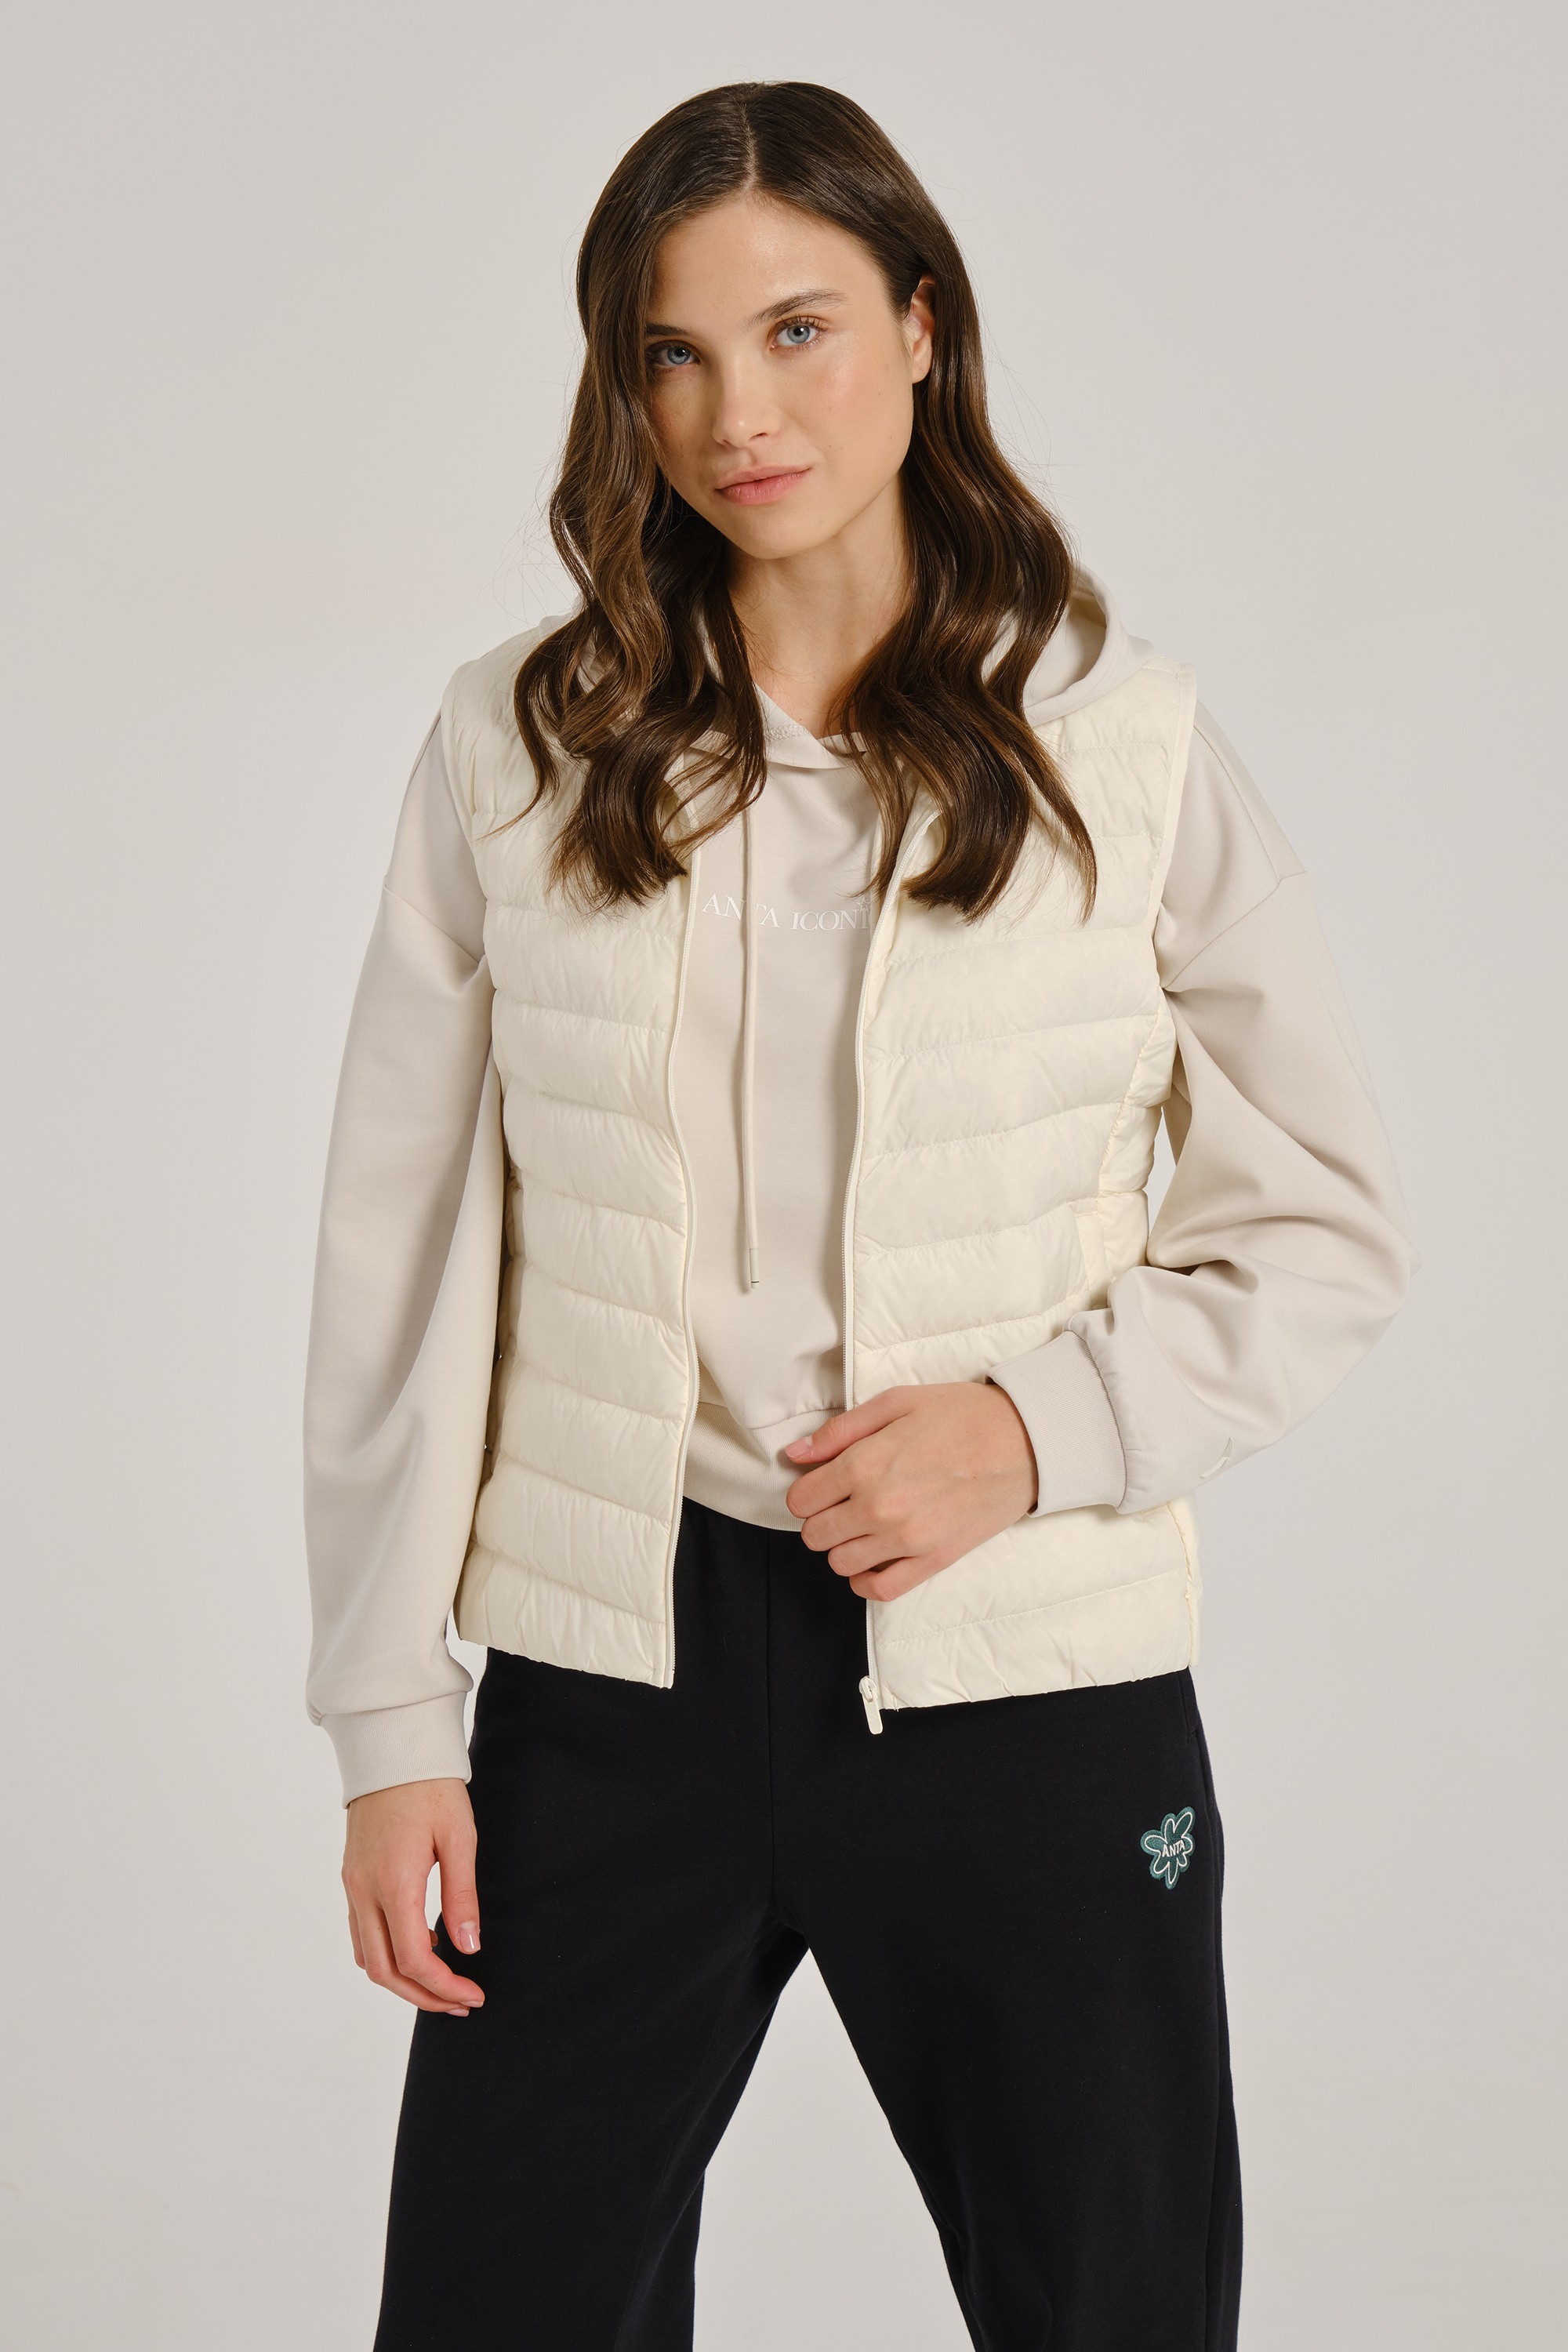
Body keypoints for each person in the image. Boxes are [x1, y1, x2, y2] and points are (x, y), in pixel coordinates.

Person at [303, 79, 1417, 2352]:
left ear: (922, 329)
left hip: (1025, 1677)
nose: (741, 413)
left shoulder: (1127, 746)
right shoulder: (518, 746)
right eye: (675, 352)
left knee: (1114, 2310)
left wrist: (1037, 1429)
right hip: (613, 1680)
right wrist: (393, 1721)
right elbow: (399, 1258)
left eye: (799, 329)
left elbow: (1320, 1226)